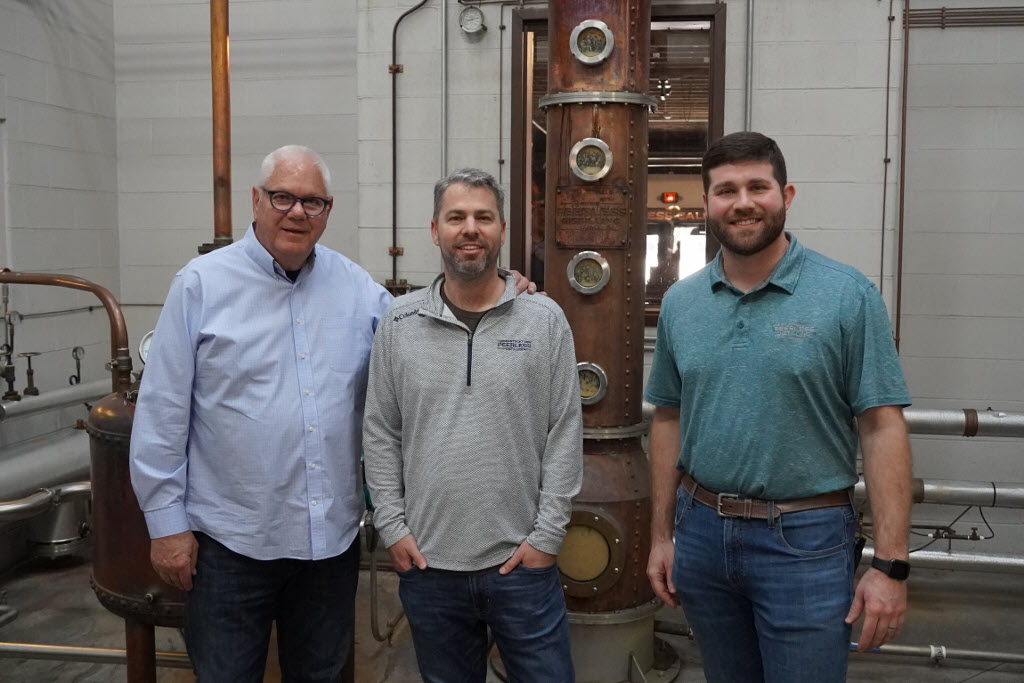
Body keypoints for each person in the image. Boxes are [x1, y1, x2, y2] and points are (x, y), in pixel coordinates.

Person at [644, 132, 913, 683]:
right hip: (702, 536)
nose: (742, 201)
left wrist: (891, 564)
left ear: (785, 194)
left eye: (757, 186)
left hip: (806, 542)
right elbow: (668, 417)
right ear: (707, 204)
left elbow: (882, 426)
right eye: (725, 190)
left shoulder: (846, 295)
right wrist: (662, 536)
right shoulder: (681, 303)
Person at [363, 168, 582, 683]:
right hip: (429, 568)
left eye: (483, 217)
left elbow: (565, 432)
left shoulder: (544, 320)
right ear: (434, 229)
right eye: (456, 217)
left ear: (502, 230)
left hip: (522, 567)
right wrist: (392, 527)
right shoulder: (398, 323)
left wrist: (547, 538)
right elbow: (380, 432)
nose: (470, 228)